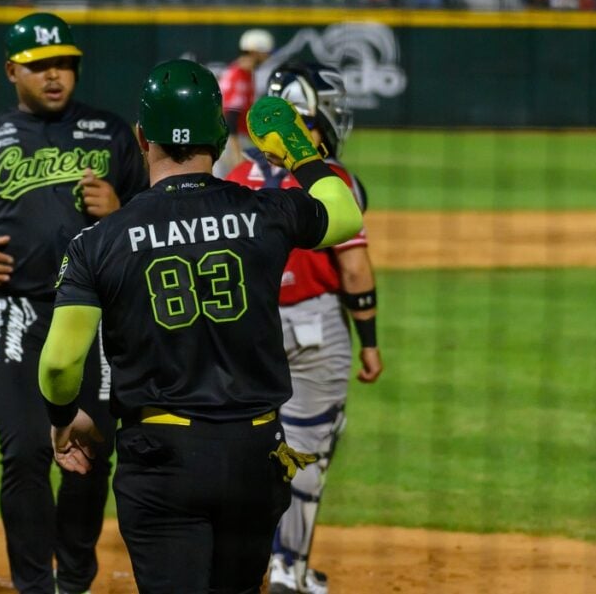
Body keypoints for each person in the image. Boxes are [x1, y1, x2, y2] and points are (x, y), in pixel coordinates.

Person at [37, 59, 365, 593]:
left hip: (163, 461)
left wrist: (61, 419)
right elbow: (344, 215)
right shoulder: (266, 212)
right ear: (220, 134)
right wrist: (299, 150)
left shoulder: (98, 242)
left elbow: (58, 363)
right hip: (255, 456)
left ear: (142, 136)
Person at [0, 12, 148, 594]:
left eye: (64, 65)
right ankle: (33, 587)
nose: (54, 77)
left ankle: (73, 579)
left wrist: (122, 207)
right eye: (40, 66)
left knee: (91, 452)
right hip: (11, 310)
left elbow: (154, 216)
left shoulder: (111, 132)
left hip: (94, 314)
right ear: (11, 71)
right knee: (24, 451)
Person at [225, 62, 385, 594]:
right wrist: (370, 343)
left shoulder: (233, 179)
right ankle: (288, 568)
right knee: (308, 448)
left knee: (250, 446)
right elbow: (355, 269)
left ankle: (244, 563)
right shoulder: (330, 179)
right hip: (315, 328)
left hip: (246, 332)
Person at [216, 27, 275, 177]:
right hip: (231, 139)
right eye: (265, 52)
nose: (267, 57)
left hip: (228, 136)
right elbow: (231, 117)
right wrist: (237, 155)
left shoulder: (240, 71)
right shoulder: (239, 74)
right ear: (255, 52)